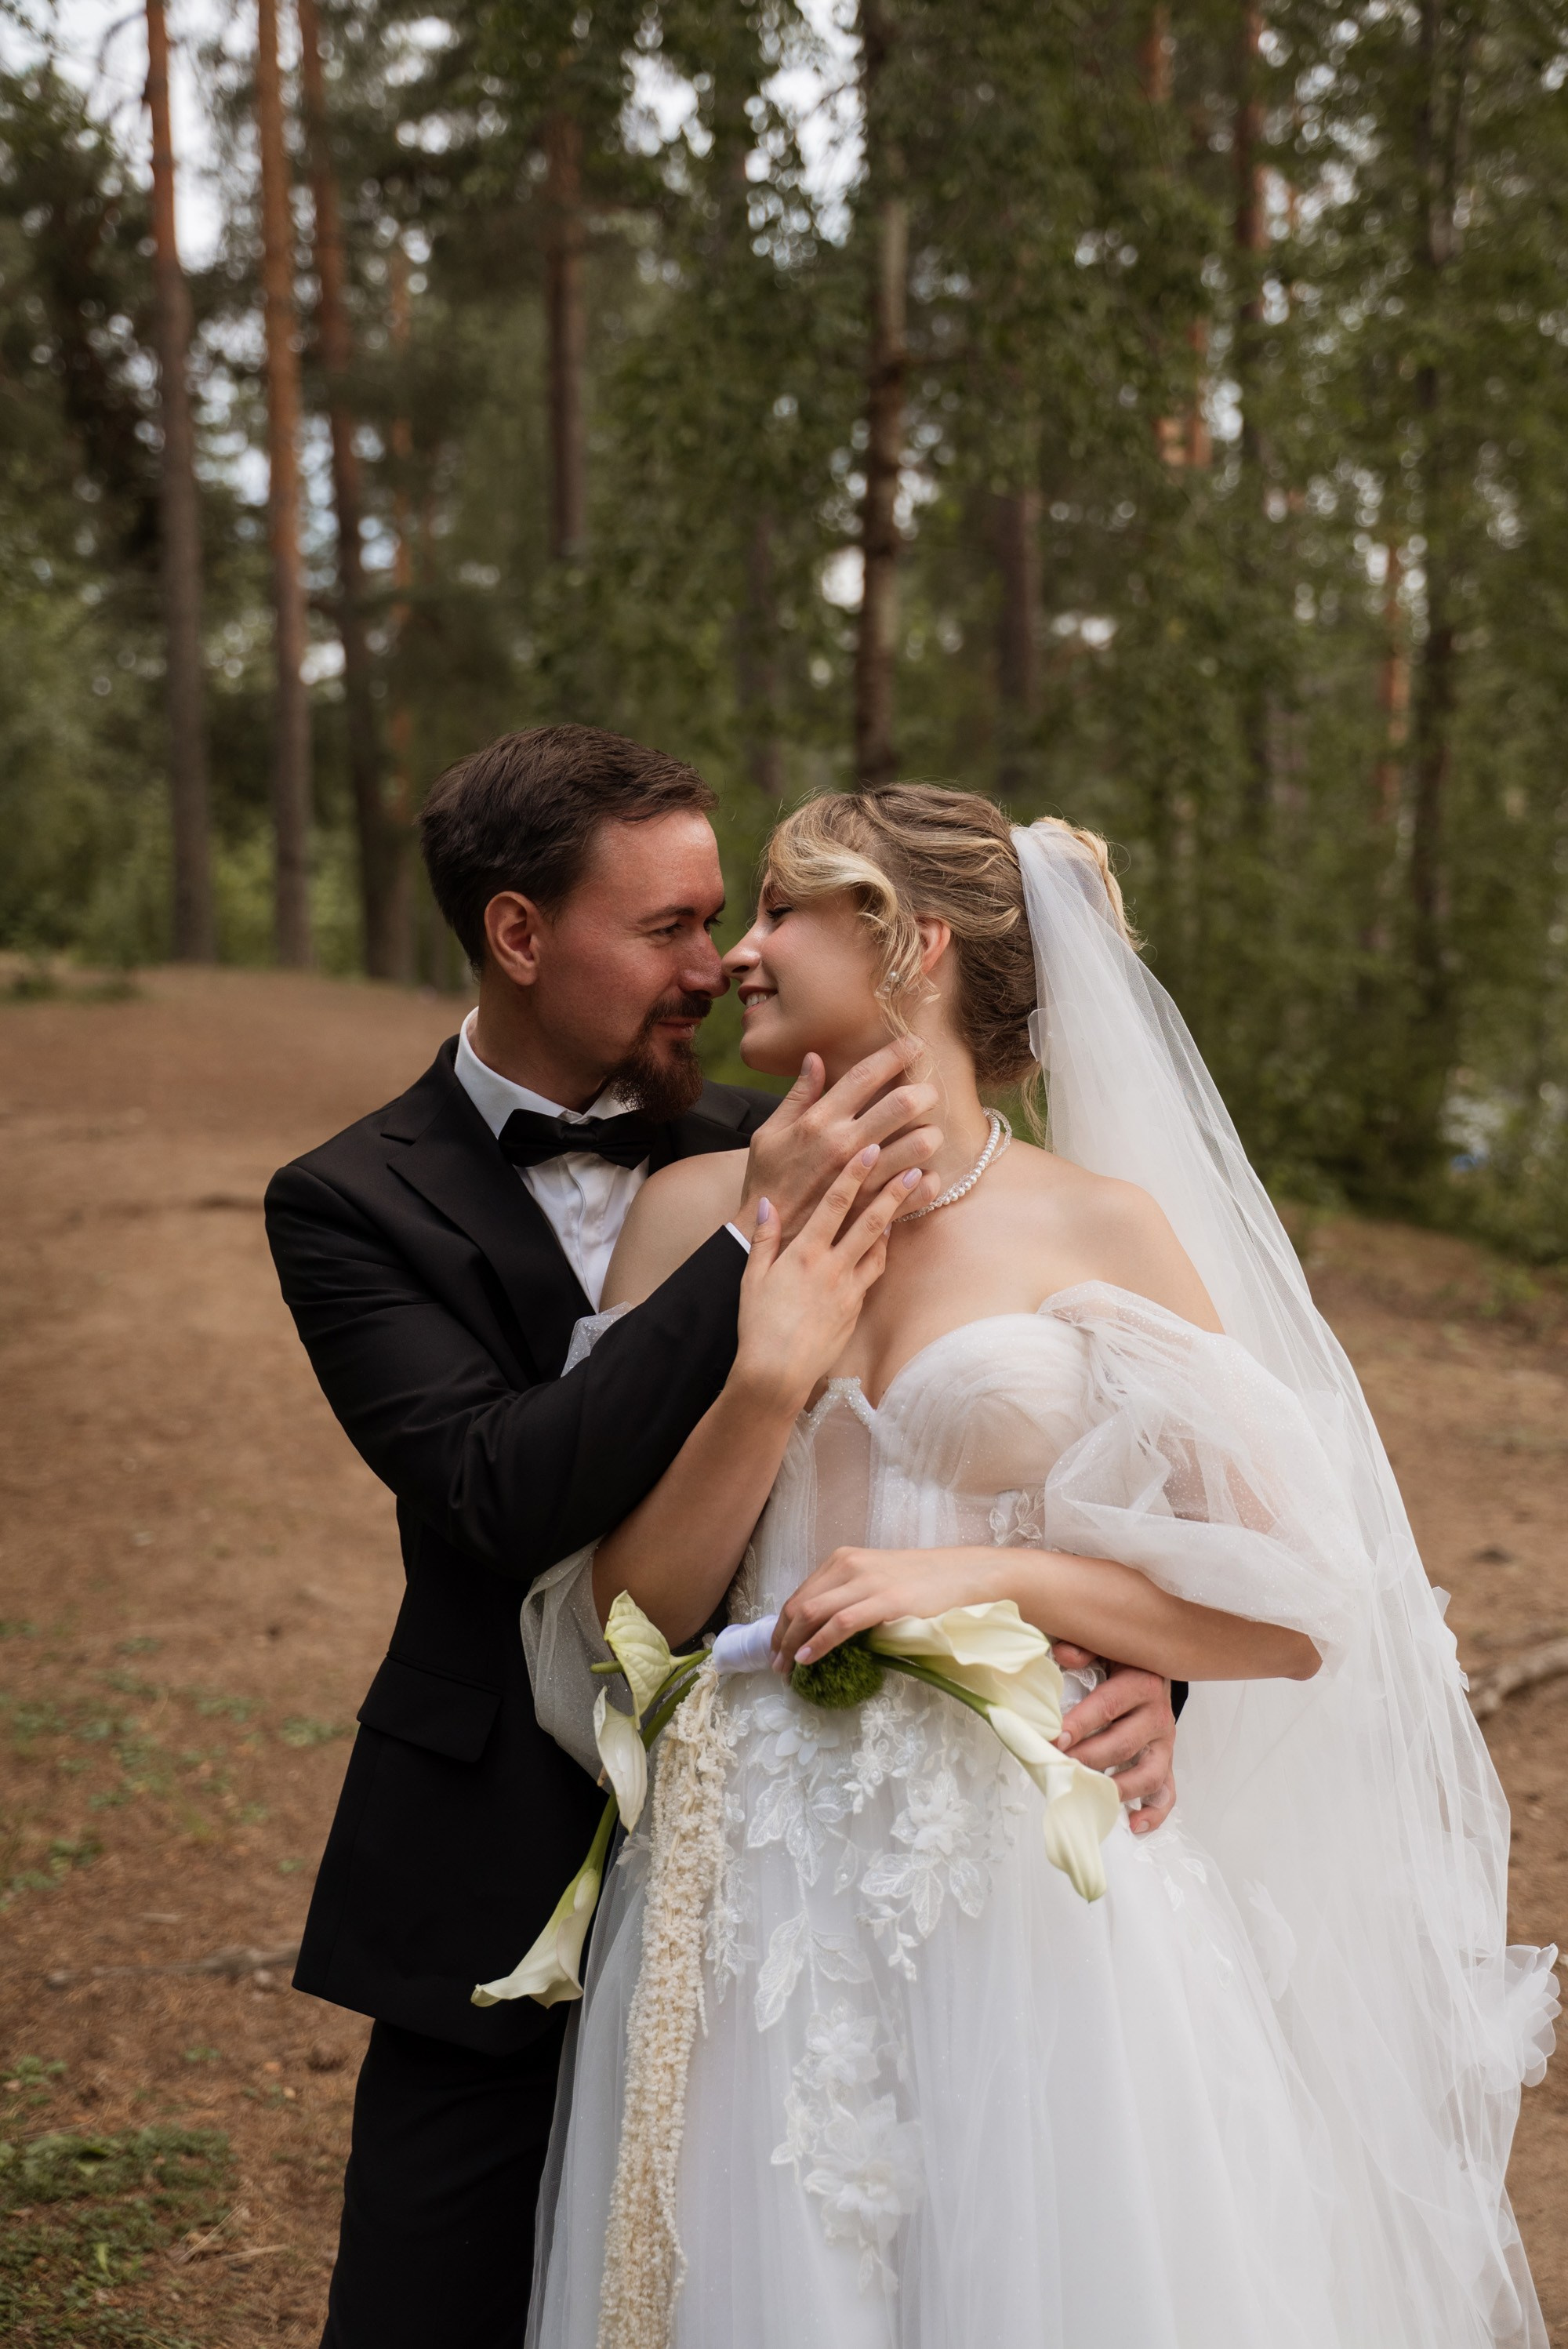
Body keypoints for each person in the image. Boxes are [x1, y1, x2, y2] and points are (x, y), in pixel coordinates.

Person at [520, 786, 1557, 2349]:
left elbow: (1299, 1609)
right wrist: (760, 1381)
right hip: (753, 1879)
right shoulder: (689, 1215)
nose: (740, 948)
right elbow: (625, 1623)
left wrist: (994, 1591)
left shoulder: (1099, 1226)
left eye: (788, 907)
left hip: (1032, 1859)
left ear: (912, 942)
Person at [263, 729, 1180, 2349]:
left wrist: (1146, 1673)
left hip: (862, 1871)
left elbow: (1106, 1477)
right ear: (520, 935)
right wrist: (749, 1251)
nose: (715, 962)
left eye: (730, 916)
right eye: (669, 929)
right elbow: (491, 1496)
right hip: (503, 1851)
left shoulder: (816, 1117)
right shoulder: (353, 1199)